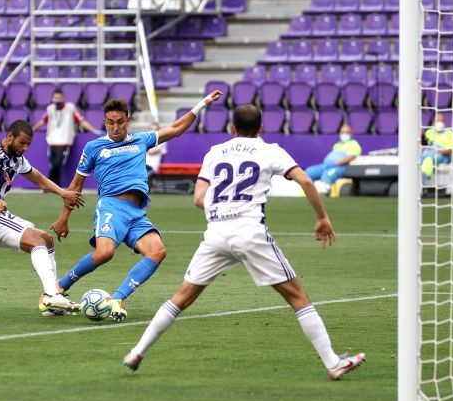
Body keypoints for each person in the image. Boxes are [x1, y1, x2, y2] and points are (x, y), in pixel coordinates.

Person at [122, 105, 366, 380]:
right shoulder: (270, 151)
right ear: (261, 128)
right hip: (250, 232)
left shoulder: (215, 152)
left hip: (216, 233)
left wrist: (223, 207)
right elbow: (306, 181)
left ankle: (136, 352)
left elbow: (198, 198)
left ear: (232, 129)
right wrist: (322, 217)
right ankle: (333, 363)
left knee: (181, 298)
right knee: (297, 296)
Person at [50, 91, 223, 322]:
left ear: (128, 121)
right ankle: (58, 289)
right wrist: (64, 217)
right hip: (111, 206)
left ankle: (117, 300)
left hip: (136, 212)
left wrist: (202, 104)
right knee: (105, 253)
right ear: (105, 122)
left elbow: (176, 129)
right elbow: (75, 186)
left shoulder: (141, 140)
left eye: (120, 122)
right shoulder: (94, 147)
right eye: (110, 123)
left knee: (157, 252)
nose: (115, 127)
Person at [0, 120, 86, 316]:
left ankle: (53, 302)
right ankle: (52, 295)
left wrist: (63, 193)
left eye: (28, 144)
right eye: (22, 142)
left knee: (46, 241)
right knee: (36, 241)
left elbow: (39, 179)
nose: (26, 148)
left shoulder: (17, 159)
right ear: (10, 136)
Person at [32, 89, 98, 186]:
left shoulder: (70, 108)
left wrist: (93, 130)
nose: (57, 100)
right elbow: (43, 121)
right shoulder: (50, 108)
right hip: (52, 141)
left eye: (59, 98)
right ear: (52, 98)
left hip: (64, 141)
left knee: (57, 164)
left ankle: (48, 184)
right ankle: (54, 185)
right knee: (53, 165)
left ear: (63, 98)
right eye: (55, 98)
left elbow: (81, 121)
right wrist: (32, 129)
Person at [304, 124, 361, 194]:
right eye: (342, 132)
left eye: (347, 133)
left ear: (351, 134)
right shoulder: (337, 145)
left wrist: (336, 163)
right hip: (327, 165)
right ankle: (309, 192)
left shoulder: (354, 144)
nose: (344, 135)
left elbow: (351, 157)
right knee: (309, 172)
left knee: (328, 174)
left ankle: (325, 192)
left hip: (342, 167)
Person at [422, 113, 453, 182]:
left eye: (442, 121)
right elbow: (424, 144)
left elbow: (449, 150)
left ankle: (424, 180)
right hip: (429, 153)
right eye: (438, 121)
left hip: (442, 156)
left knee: (429, 159)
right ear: (433, 122)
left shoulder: (449, 133)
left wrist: (437, 151)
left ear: (445, 123)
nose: (440, 123)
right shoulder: (430, 132)